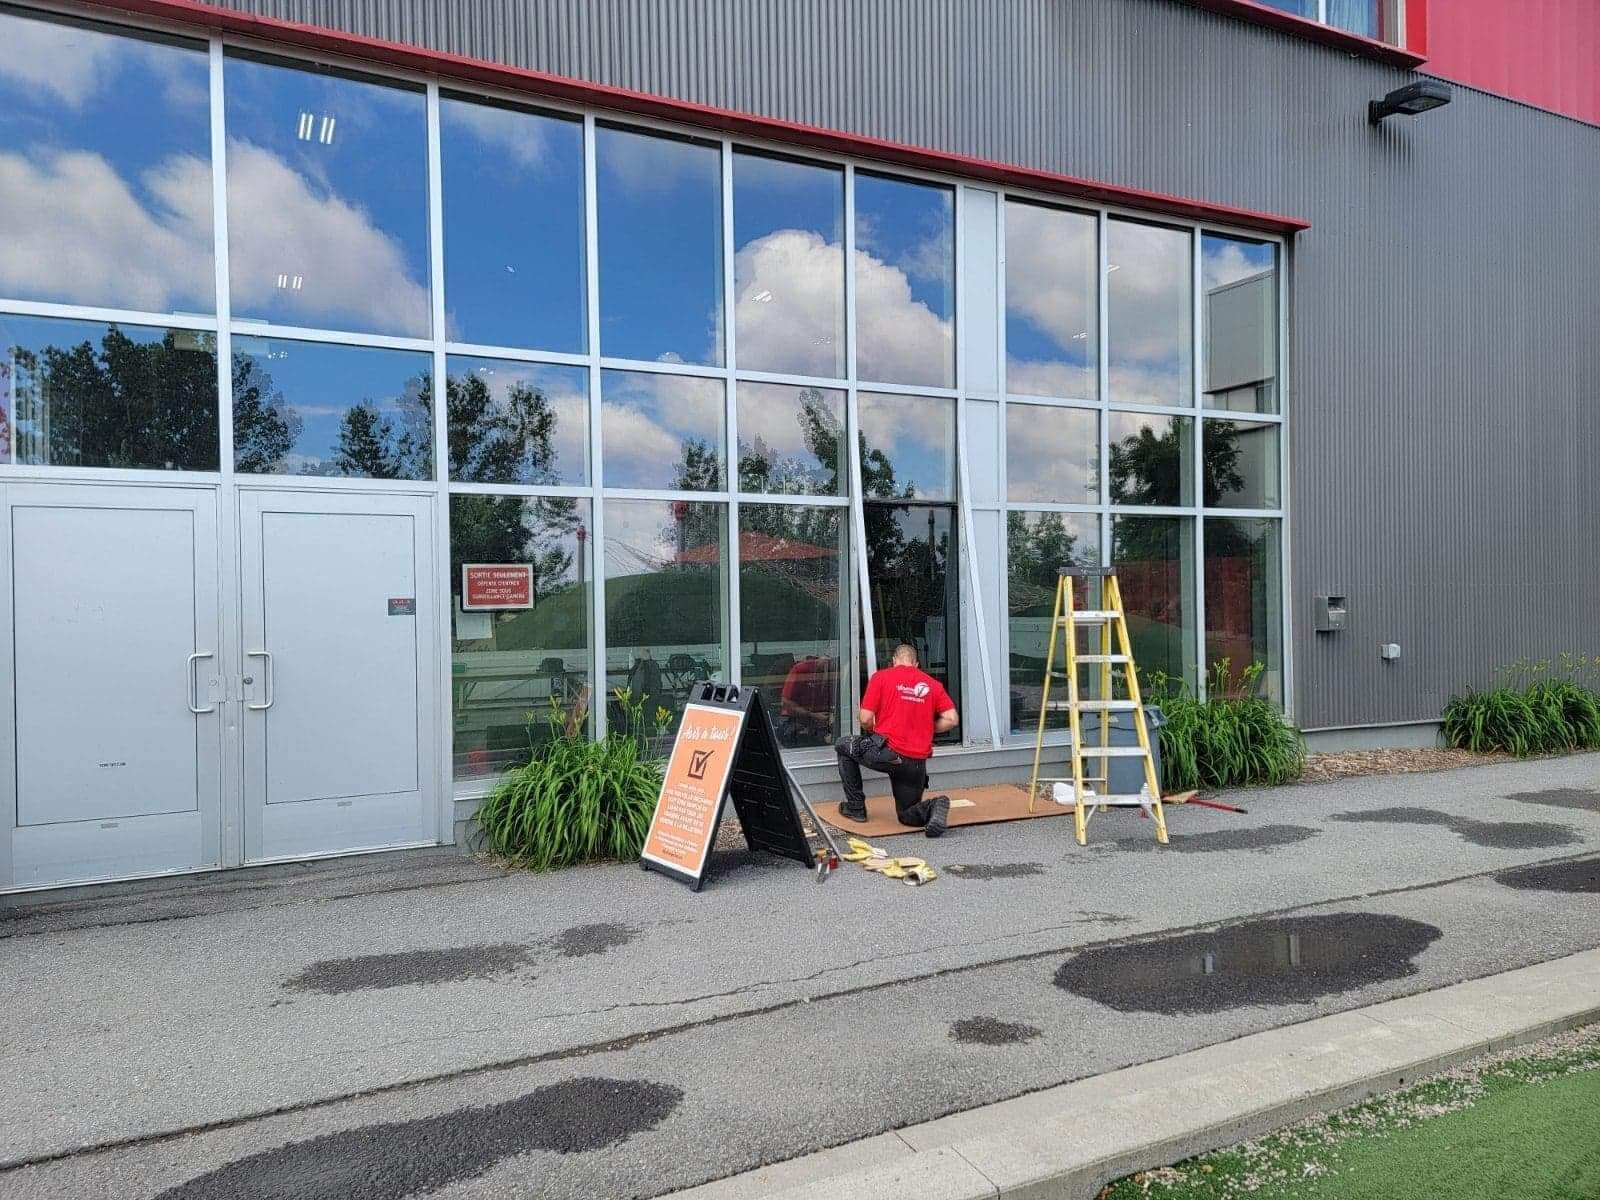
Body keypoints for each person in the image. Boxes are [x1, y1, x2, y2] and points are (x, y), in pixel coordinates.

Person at [835, 643, 959, 837]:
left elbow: (866, 718)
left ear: (894, 661)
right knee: (907, 816)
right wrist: (926, 727)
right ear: (916, 663)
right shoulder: (933, 685)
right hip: (916, 764)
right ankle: (932, 806)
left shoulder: (882, 677)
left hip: (888, 753)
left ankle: (856, 808)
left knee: (843, 745)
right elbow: (952, 719)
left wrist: (873, 732)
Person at [778, 654, 836, 746]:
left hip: (821, 722)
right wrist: (812, 715)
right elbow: (786, 703)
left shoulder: (833, 672)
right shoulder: (801, 669)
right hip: (794, 720)